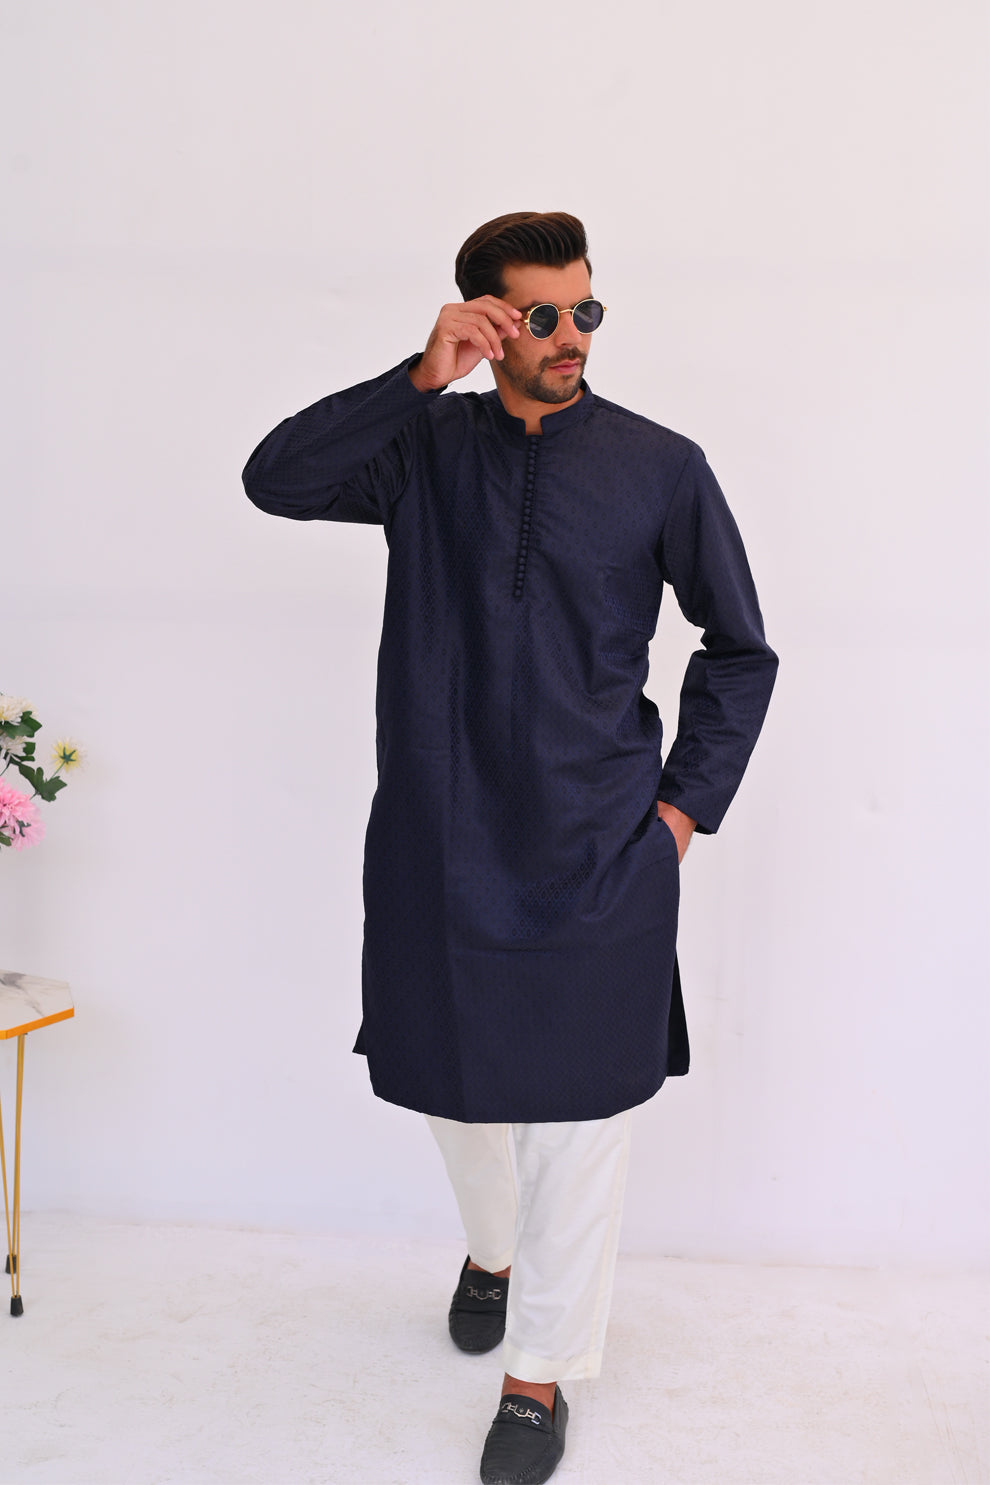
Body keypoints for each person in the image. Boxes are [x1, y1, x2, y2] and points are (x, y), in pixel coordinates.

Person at [243, 211, 777, 1485]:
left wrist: (681, 813)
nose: (570, 336)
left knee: (581, 1120)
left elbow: (740, 650)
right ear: (486, 321)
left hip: (602, 848)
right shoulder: (420, 449)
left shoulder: (661, 466)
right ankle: (492, 1250)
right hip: (440, 839)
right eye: (542, 315)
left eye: (585, 310)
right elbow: (276, 480)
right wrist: (417, 376)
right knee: (454, 1087)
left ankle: (538, 1377)